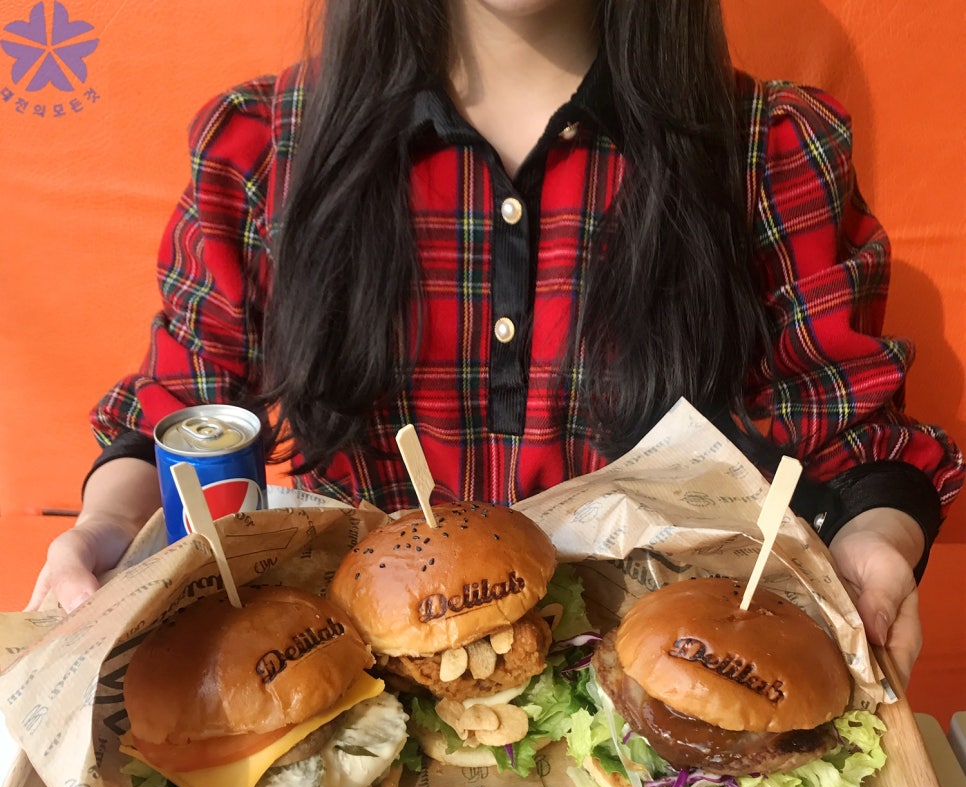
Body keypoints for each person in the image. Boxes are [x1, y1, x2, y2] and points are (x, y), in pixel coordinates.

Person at [28, 0, 963, 689]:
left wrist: (879, 543)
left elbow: (855, 454)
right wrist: (106, 529)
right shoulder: (264, 148)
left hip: (663, 680)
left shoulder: (770, 148)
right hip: (353, 673)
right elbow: (182, 417)